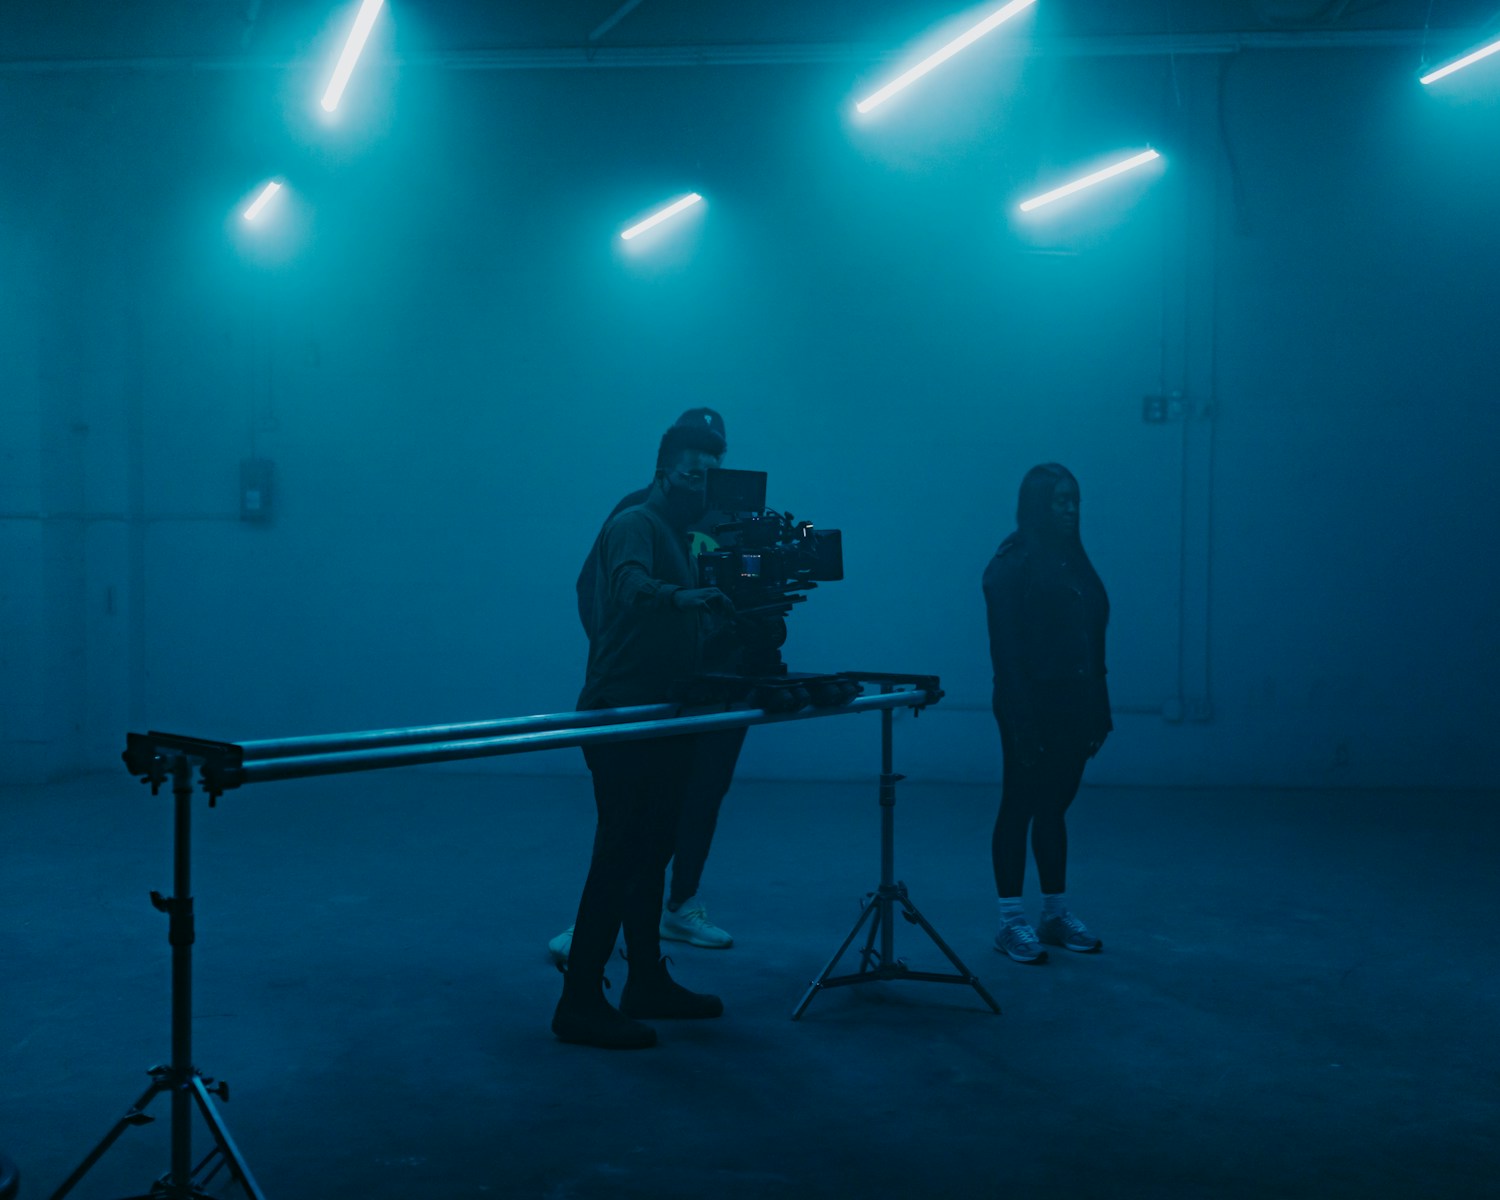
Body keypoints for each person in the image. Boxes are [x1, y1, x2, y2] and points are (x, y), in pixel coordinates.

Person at [552, 421, 735, 1049]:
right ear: (663, 474)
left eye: (711, 473)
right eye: (691, 472)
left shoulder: (682, 537)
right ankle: (578, 999)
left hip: (660, 715)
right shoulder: (637, 523)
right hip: (621, 717)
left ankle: (647, 980)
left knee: (652, 850)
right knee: (619, 857)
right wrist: (681, 598)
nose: (701, 484)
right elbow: (628, 587)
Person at [982, 463, 1112, 964]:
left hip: (1075, 703)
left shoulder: (1073, 560)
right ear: (1037, 503)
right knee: (1020, 803)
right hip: (1029, 704)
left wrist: (1098, 706)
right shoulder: (1011, 565)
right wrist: (1022, 722)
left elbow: (1093, 640)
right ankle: (1010, 922)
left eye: (1074, 499)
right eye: (1059, 500)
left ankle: (1054, 914)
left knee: (1055, 807)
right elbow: (1006, 655)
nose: (1070, 509)